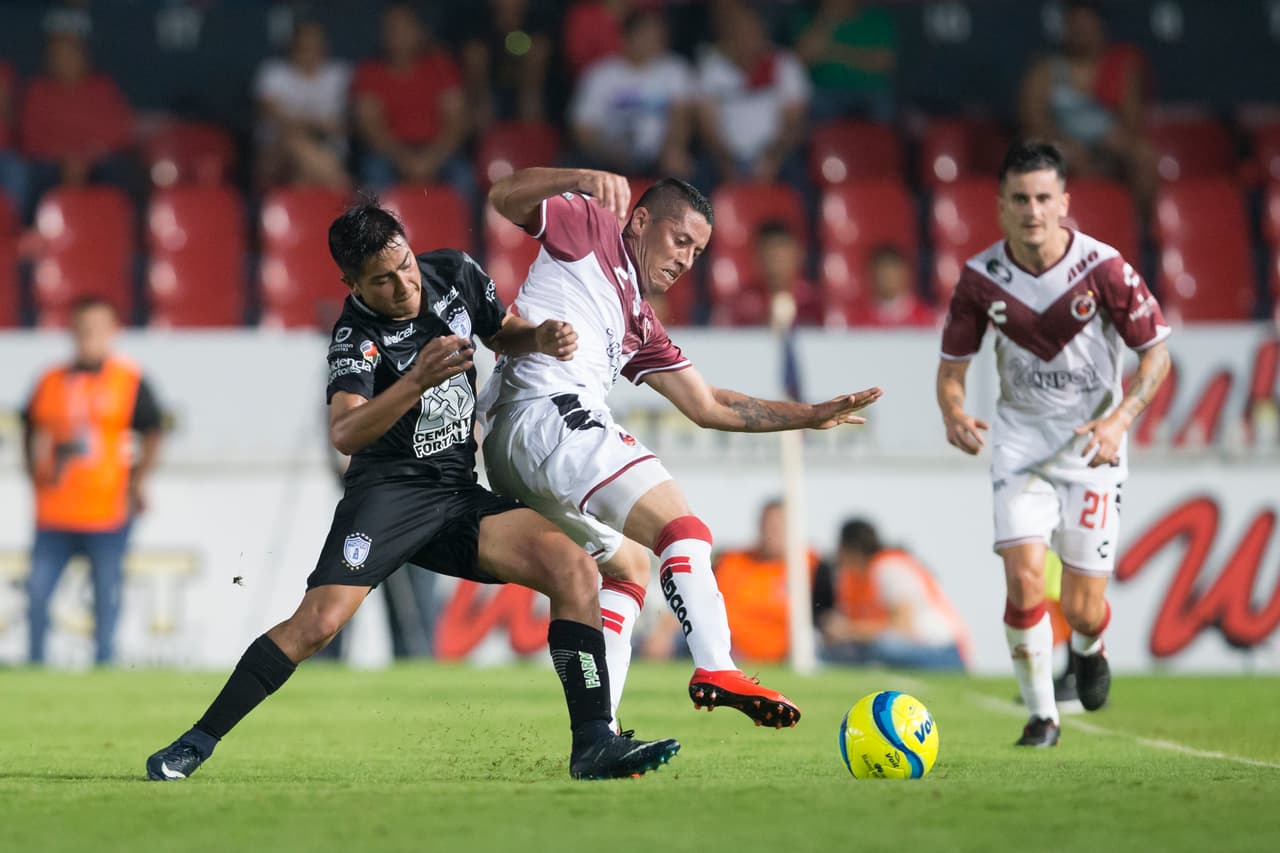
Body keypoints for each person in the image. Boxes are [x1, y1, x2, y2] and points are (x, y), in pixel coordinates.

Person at [145, 199, 679, 782]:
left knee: (572, 567)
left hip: (454, 491)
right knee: (318, 624)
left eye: (404, 265)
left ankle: (594, 744)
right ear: (352, 284)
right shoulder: (356, 336)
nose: (404, 284)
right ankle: (196, 741)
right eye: (383, 279)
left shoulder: (453, 272)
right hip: (388, 497)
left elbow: (502, 334)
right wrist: (415, 381)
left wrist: (540, 338)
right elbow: (346, 430)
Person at [478, 166, 882, 732]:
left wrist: (808, 415)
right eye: (680, 240)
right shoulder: (589, 224)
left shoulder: (639, 321)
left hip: (513, 449)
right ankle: (716, 665)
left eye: (698, 251)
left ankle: (601, 733)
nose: (686, 259)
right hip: (547, 409)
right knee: (683, 529)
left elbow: (708, 405)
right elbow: (502, 196)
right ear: (641, 221)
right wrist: (581, 178)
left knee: (628, 569)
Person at [937, 140, 1171, 746]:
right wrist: (955, 412)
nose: (1033, 210)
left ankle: (1090, 648)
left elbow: (1156, 355)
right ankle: (1043, 715)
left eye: (1044, 198)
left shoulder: (1105, 268)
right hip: (1018, 445)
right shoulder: (980, 278)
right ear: (1000, 206)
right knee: (1022, 580)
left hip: (1093, 447)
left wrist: (1121, 420)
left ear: (1064, 201)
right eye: (1020, 198)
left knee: (1084, 607)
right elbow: (952, 369)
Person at [23, 297, 163, 665]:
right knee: (37, 593)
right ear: (72, 331)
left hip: (107, 510)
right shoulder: (50, 381)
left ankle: (104, 664)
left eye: (98, 328)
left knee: (106, 595)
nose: (89, 336)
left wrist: (137, 480)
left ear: (113, 332)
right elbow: (28, 425)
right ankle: (35, 665)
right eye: (83, 328)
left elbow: (152, 430)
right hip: (55, 511)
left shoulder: (128, 381)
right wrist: (33, 474)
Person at [1018, 0, 1155, 211]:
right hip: (1061, 142)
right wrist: (1066, 143)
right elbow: (1033, 121)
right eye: (1076, 28)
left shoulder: (1120, 68)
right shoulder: (1045, 71)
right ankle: (1088, 224)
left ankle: (1140, 229)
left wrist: (1114, 140)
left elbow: (1132, 121)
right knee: (1071, 158)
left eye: (1087, 27)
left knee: (1143, 155)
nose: (1081, 34)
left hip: (1106, 143)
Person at [351, 4, 473, 201]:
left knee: (464, 179)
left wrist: (430, 160)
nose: (398, 35)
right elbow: (372, 129)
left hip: (438, 150)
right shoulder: (369, 73)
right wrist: (407, 162)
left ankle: (462, 232)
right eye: (392, 28)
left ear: (420, 32)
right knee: (374, 177)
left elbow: (456, 122)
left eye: (405, 28)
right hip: (390, 154)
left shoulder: (441, 67)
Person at [816, 518, 968, 671]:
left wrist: (848, 630)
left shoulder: (890, 568)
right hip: (902, 646)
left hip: (938, 649)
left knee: (883, 648)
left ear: (850, 549)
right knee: (830, 652)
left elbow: (902, 626)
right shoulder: (852, 578)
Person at [20, 28, 137, 217]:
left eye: (71, 55)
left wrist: (87, 156)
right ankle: (33, 236)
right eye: (58, 56)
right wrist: (65, 157)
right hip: (54, 162)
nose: (65, 61)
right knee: (34, 175)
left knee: (121, 170)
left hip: (97, 160)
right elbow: (31, 139)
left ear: (84, 58)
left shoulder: (103, 88)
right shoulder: (38, 91)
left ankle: (125, 236)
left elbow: (120, 132)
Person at [569, 9, 696, 181]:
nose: (654, 41)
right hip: (607, 159)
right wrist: (610, 152)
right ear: (625, 38)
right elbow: (583, 129)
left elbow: (681, 118)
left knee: (683, 167)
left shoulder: (674, 69)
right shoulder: (600, 74)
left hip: (658, 159)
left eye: (658, 36)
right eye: (646, 35)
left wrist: (672, 150)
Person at [695, 2, 811, 186]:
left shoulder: (785, 64)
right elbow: (708, 128)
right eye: (738, 31)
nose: (745, 36)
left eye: (751, 30)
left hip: (776, 154)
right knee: (694, 183)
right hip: (726, 157)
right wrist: (726, 162)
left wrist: (773, 158)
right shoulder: (712, 67)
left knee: (801, 178)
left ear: (762, 31)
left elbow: (793, 125)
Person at [712, 499, 830, 663]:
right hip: (731, 651)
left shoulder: (812, 565)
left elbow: (827, 613)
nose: (773, 532)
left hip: (790, 653)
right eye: (768, 526)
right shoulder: (731, 561)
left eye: (779, 526)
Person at [252, 20, 352, 190]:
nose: (310, 53)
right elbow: (276, 118)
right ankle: (341, 185)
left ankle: (335, 186)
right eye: (304, 47)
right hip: (276, 155)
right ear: (293, 47)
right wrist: (318, 124)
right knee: (293, 139)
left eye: (315, 46)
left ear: (325, 47)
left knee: (303, 177)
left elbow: (344, 126)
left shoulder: (340, 74)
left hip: (328, 151)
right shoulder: (274, 73)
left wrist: (303, 123)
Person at [792, 0, 898, 123]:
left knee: (885, 110)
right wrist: (826, 19)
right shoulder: (808, 19)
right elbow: (799, 62)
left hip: (870, 91)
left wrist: (830, 51)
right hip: (823, 90)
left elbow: (884, 63)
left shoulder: (878, 19)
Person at [458, 0, 553, 131]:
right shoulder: (477, 21)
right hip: (487, 90)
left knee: (538, 49)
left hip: (529, 90)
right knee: (475, 54)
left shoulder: (539, 20)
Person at [721, 219, 823, 327]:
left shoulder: (815, 301)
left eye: (782, 256)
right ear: (756, 258)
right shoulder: (741, 304)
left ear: (799, 256)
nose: (776, 263)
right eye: (770, 256)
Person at [844, 244, 936, 328]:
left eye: (892, 273)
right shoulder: (859, 322)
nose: (887, 279)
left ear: (906, 274)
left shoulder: (926, 318)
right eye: (882, 273)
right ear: (871, 276)